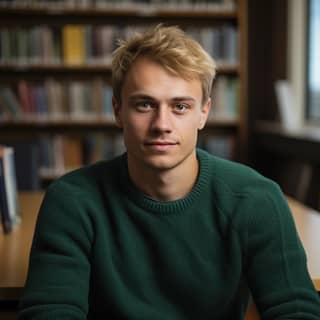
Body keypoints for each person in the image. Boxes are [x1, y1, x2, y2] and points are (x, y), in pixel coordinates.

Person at [19, 24, 320, 319]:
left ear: (204, 112)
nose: (162, 124)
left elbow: (295, 310)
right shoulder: (72, 201)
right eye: (145, 105)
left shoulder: (256, 199)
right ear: (117, 110)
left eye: (180, 107)